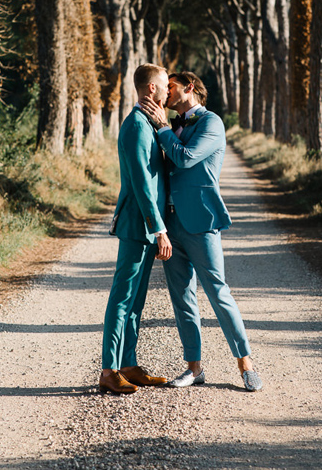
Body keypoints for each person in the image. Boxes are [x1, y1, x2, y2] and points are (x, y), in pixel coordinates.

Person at [139, 71, 262, 392]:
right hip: (169, 224)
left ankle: (245, 362)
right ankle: (194, 368)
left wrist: (163, 128)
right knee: (181, 298)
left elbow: (186, 157)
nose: (165, 93)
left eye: (172, 87)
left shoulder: (211, 123)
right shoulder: (166, 123)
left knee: (218, 293)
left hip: (202, 222)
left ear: (189, 88)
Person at [100, 63, 173, 394]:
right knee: (122, 298)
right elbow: (143, 185)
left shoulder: (151, 124)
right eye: (166, 88)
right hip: (136, 225)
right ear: (152, 90)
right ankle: (109, 369)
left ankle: (128, 364)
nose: (170, 93)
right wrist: (159, 229)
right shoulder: (135, 128)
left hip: (146, 228)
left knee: (137, 302)